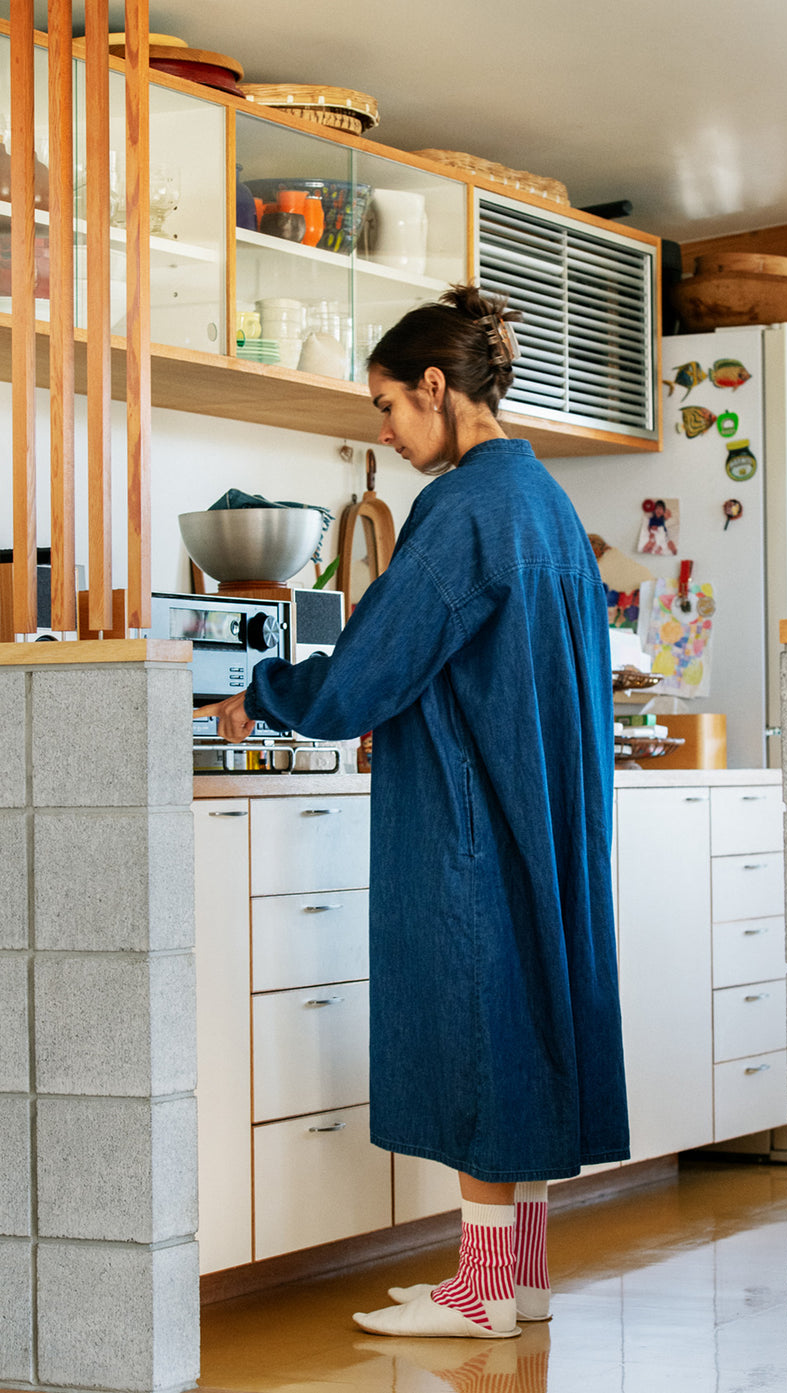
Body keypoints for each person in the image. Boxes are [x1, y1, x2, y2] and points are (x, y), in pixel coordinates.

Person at [196, 284, 630, 1339]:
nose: (384, 433)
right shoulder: (546, 505)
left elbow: (367, 672)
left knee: (481, 1019)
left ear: (437, 388)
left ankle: (480, 1294)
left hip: (473, 811)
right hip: (546, 805)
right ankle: (515, 1278)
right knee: (525, 1017)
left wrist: (263, 689)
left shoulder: (463, 510)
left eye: (389, 406)